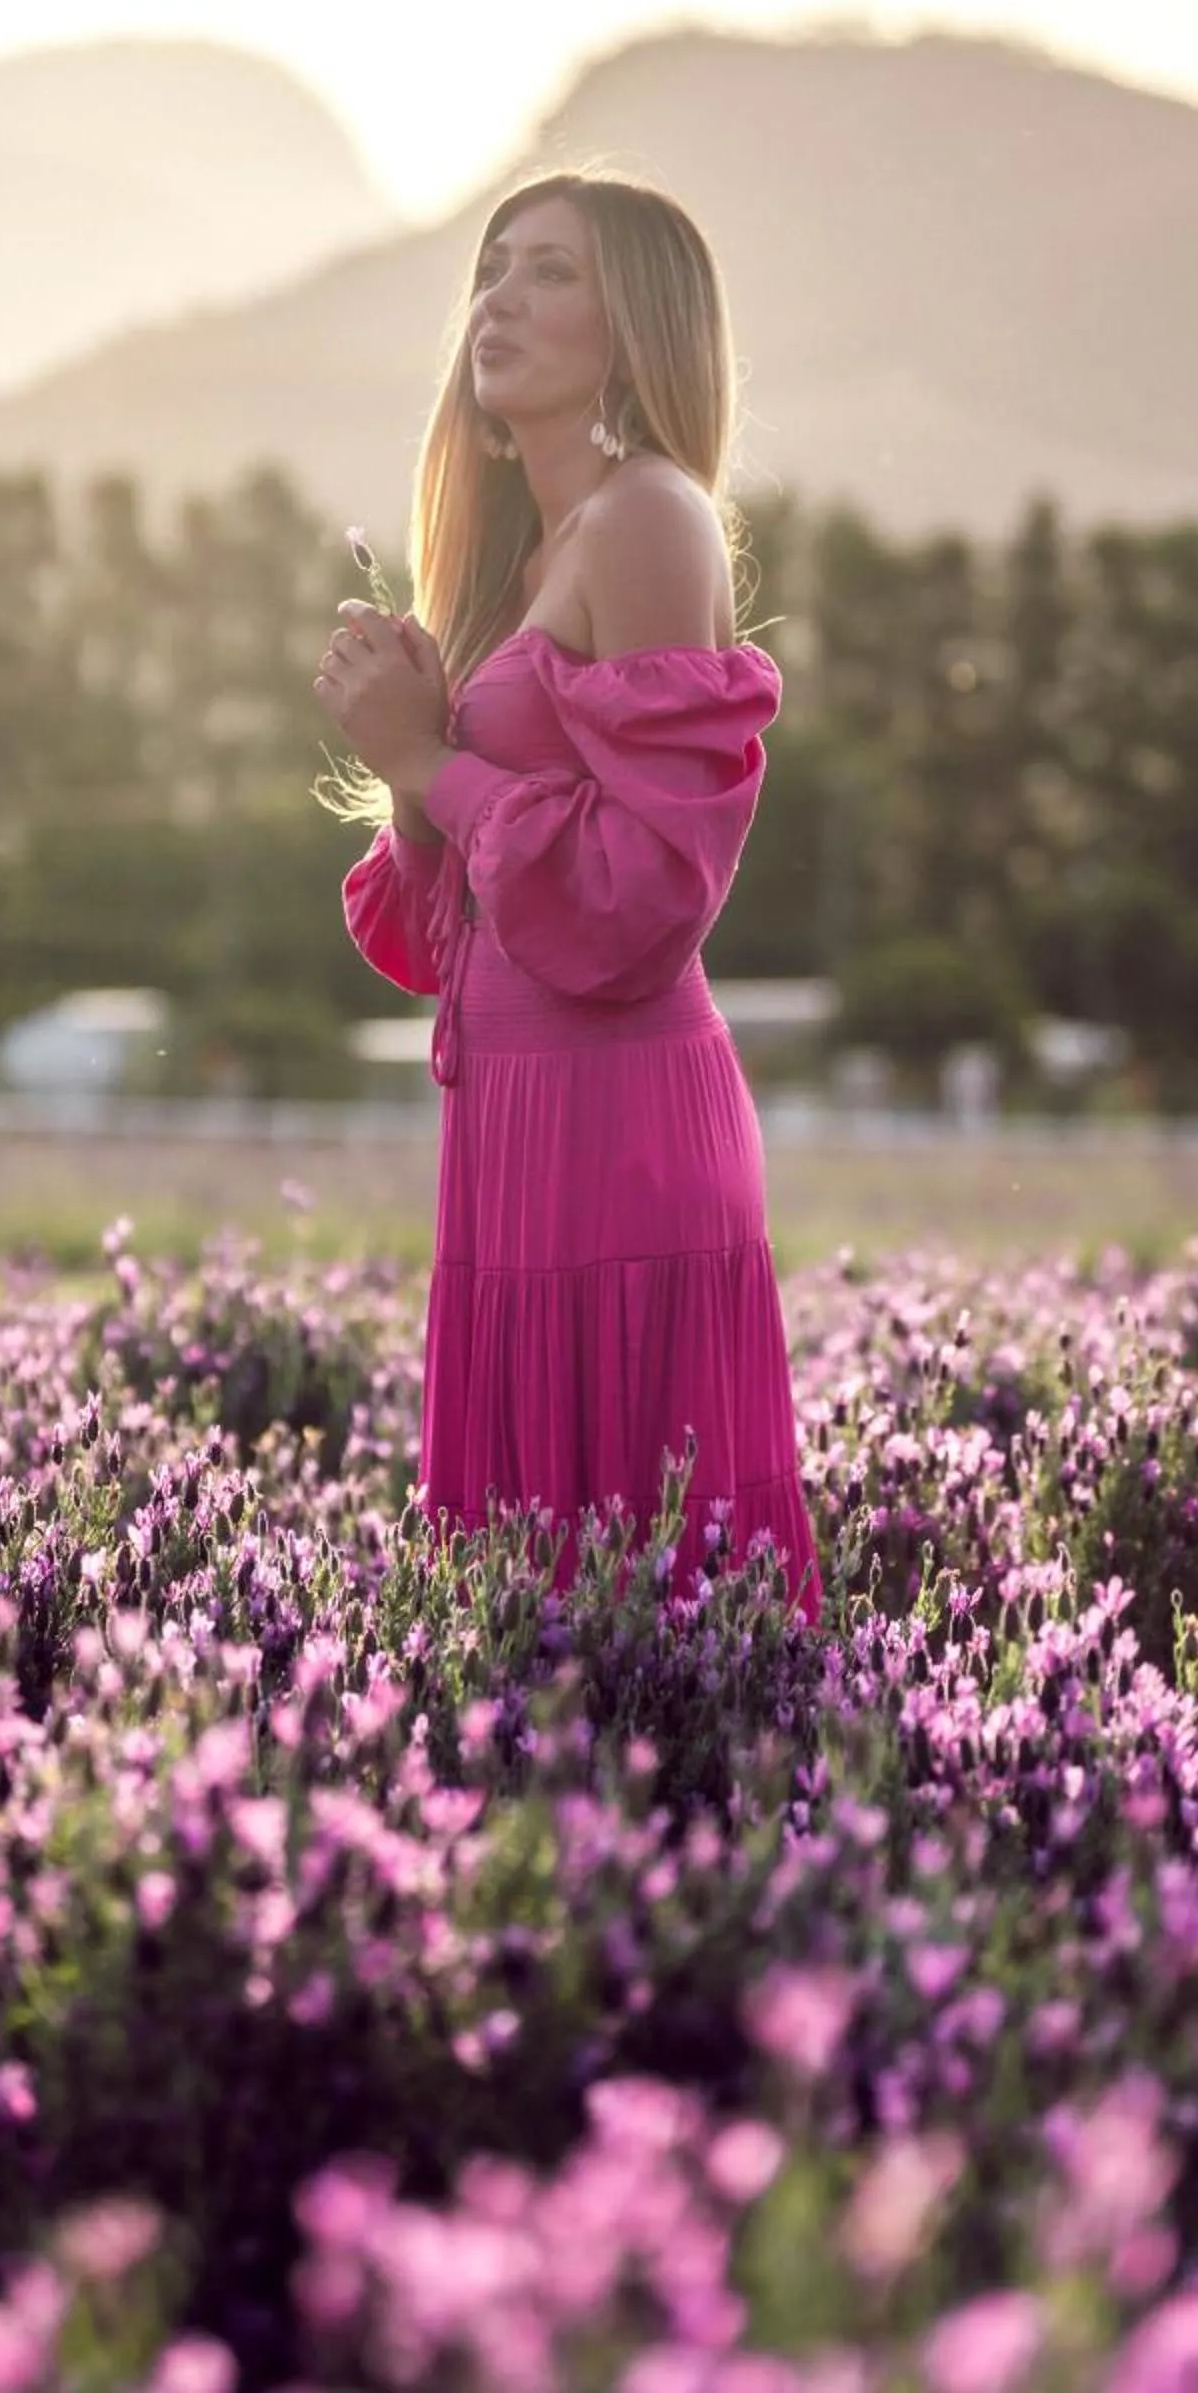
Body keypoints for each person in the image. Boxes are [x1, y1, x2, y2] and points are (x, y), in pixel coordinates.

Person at [313, 171, 820, 1624]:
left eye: (552, 275)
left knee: (649, 1607)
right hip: (514, 1126)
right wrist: (408, 750)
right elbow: (455, 922)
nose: (500, 300)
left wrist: (430, 761)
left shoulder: (648, 516)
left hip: (620, 1125)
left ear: (637, 327)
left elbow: (646, 892)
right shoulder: (527, 553)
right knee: (529, 1608)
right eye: (495, 268)